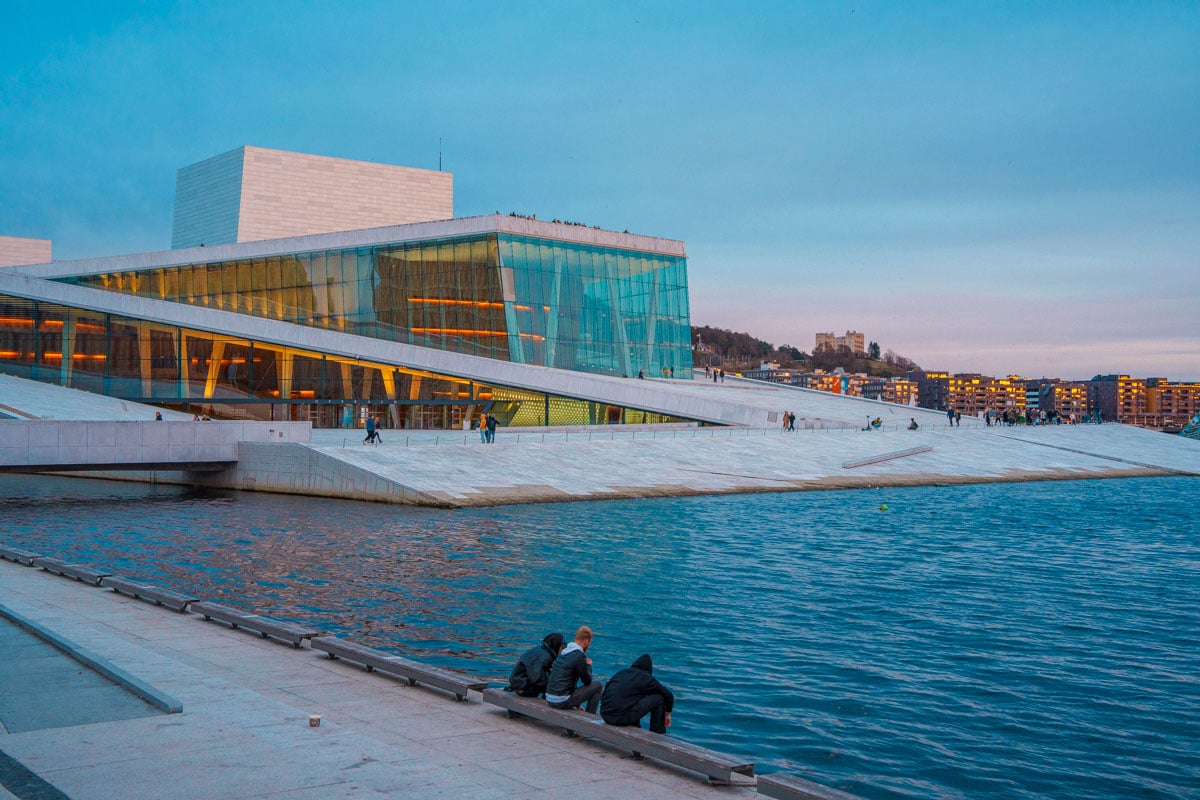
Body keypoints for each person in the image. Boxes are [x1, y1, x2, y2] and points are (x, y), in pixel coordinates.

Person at [600, 654, 674, 734]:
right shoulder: (645, 677)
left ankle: (636, 726)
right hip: (619, 718)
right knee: (659, 698)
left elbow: (606, 691)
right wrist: (667, 714)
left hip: (604, 714)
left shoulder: (621, 673)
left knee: (632, 698)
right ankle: (657, 734)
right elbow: (668, 695)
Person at [545, 626, 601, 713]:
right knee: (598, 686)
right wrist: (589, 665)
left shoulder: (564, 653)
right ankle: (590, 718)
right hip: (561, 701)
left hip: (549, 697)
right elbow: (587, 681)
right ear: (586, 642)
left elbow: (568, 679)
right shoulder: (579, 656)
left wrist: (577, 704)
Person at [509, 633, 565, 698]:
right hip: (523, 686)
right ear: (556, 645)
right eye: (561, 647)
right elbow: (537, 679)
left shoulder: (541, 651)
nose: (562, 650)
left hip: (519, 683)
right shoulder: (545, 656)